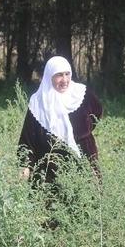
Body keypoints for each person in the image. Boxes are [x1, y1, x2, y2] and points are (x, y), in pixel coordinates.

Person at [17, 55, 102, 186]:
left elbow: (96, 114)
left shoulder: (82, 94)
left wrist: (81, 134)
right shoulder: (38, 103)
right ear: (49, 76)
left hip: (84, 164)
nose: (65, 80)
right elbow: (27, 139)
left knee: (87, 203)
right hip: (49, 174)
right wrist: (25, 166)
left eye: (67, 74)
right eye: (59, 75)